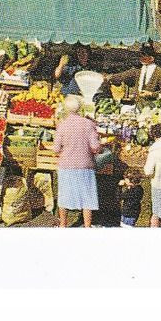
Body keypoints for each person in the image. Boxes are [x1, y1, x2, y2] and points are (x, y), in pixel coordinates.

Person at [52, 94, 103, 227]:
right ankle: (87, 226)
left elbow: (56, 149)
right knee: (87, 197)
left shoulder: (62, 125)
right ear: (81, 108)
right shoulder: (89, 124)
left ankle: (63, 225)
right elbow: (95, 147)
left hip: (66, 165)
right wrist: (100, 145)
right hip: (85, 165)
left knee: (64, 196)